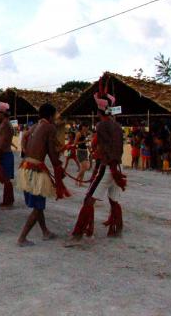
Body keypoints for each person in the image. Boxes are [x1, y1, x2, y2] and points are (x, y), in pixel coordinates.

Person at [72, 79, 126, 240]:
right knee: (114, 200)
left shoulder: (101, 126)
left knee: (89, 200)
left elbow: (103, 148)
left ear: (99, 111)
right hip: (118, 166)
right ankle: (117, 228)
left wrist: (98, 159)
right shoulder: (117, 126)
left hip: (107, 167)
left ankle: (78, 234)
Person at [16, 103, 65, 247]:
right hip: (36, 169)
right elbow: (51, 153)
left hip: (25, 167)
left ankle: (45, 232)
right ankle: (22, 238)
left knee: (38, 205)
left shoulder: (34, 126)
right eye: (55, 115)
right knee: (38, 207)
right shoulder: (50, 127)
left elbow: (25, 142)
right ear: (50, 116)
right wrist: (58, 165)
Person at [0, 101, 15, 207]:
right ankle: (8, 199)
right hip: (6, 153)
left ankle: (8, 200)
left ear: (2, 114)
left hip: (5, 154)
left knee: (6, 179)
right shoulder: (5, 124)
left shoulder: (5, 125)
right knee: (6, 179)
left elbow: (2, 142)